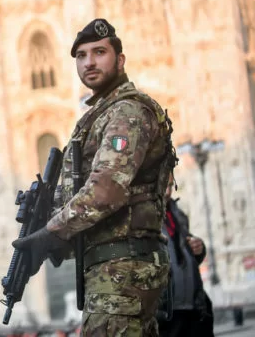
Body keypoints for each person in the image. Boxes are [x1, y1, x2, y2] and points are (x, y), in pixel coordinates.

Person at [12, 18, 178, 336]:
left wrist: (52, 233)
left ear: (120, 59)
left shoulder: (126, 113)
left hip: (121, 276)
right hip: (116, 274)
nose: (89, 62)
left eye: (99, 52)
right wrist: (61, 242)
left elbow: (107, 191)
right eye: (81, 55)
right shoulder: (104, 113)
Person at [158, 180, 214, 337]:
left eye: (170, 185)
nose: (168, 192)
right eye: (164, 185)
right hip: (166, 312)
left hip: (192, 308)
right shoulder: (141, 216)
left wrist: (199, 248)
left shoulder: (178, 214)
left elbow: (184, 252)